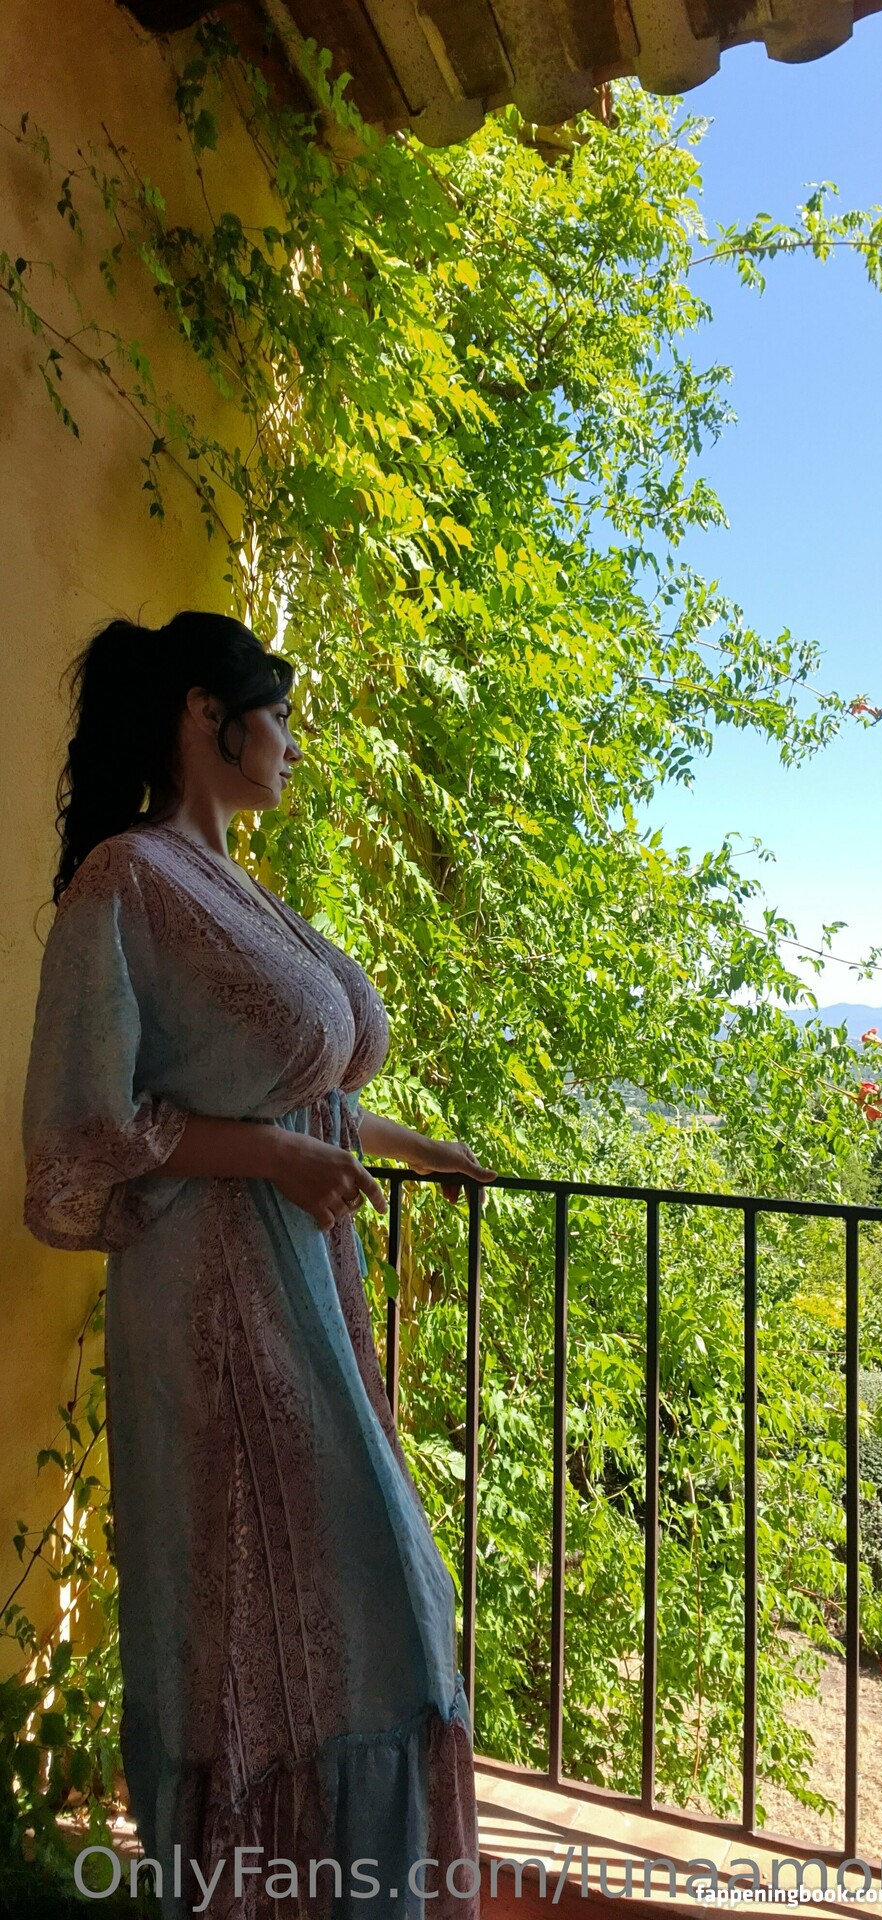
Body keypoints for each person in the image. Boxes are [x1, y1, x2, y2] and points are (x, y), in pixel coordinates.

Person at [21, 611, 497, 1920]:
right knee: (295, 1621)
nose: (291, 742)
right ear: (203, 715)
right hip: (216, 1312)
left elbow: (296, 1096)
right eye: (275, 714)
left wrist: (403, 1143)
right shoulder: (124, 882)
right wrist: (273, 1160)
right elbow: (74, 1145)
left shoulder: (236, 887)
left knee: (365, 1617)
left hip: (308, 1302)